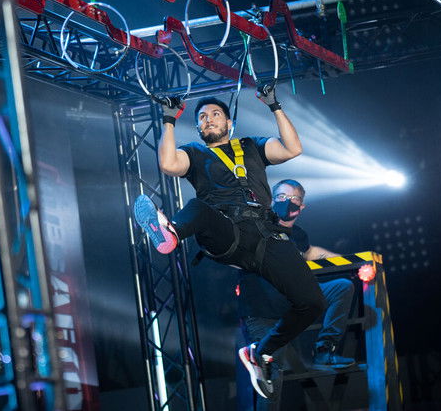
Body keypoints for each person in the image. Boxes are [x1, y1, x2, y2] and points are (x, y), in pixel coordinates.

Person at [133, 84, 326, 399]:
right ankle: (171, 232)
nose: (208, 119)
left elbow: (292, 149)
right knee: (198, 207)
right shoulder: (195, 153)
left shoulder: (251, 146)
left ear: (229, 123)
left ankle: (261, 353)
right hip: (225, 231)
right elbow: (168, 165)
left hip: (266, 236)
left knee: (313, 303)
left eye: (215, 114)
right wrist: (169, 120)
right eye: (202, 117)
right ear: (198, 128)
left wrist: (274, 105)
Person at [237, 179, 356, 410]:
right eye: (281, 197)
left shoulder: (298, 235)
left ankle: (324, 350)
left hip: (292, 304)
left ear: (301, 207)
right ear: (272, 201)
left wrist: (354, 262)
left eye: (293, 199)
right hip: (263, 312)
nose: (287, 202)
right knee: (270, 379)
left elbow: (311, 253)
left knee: (341, 286)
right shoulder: (259, 225)